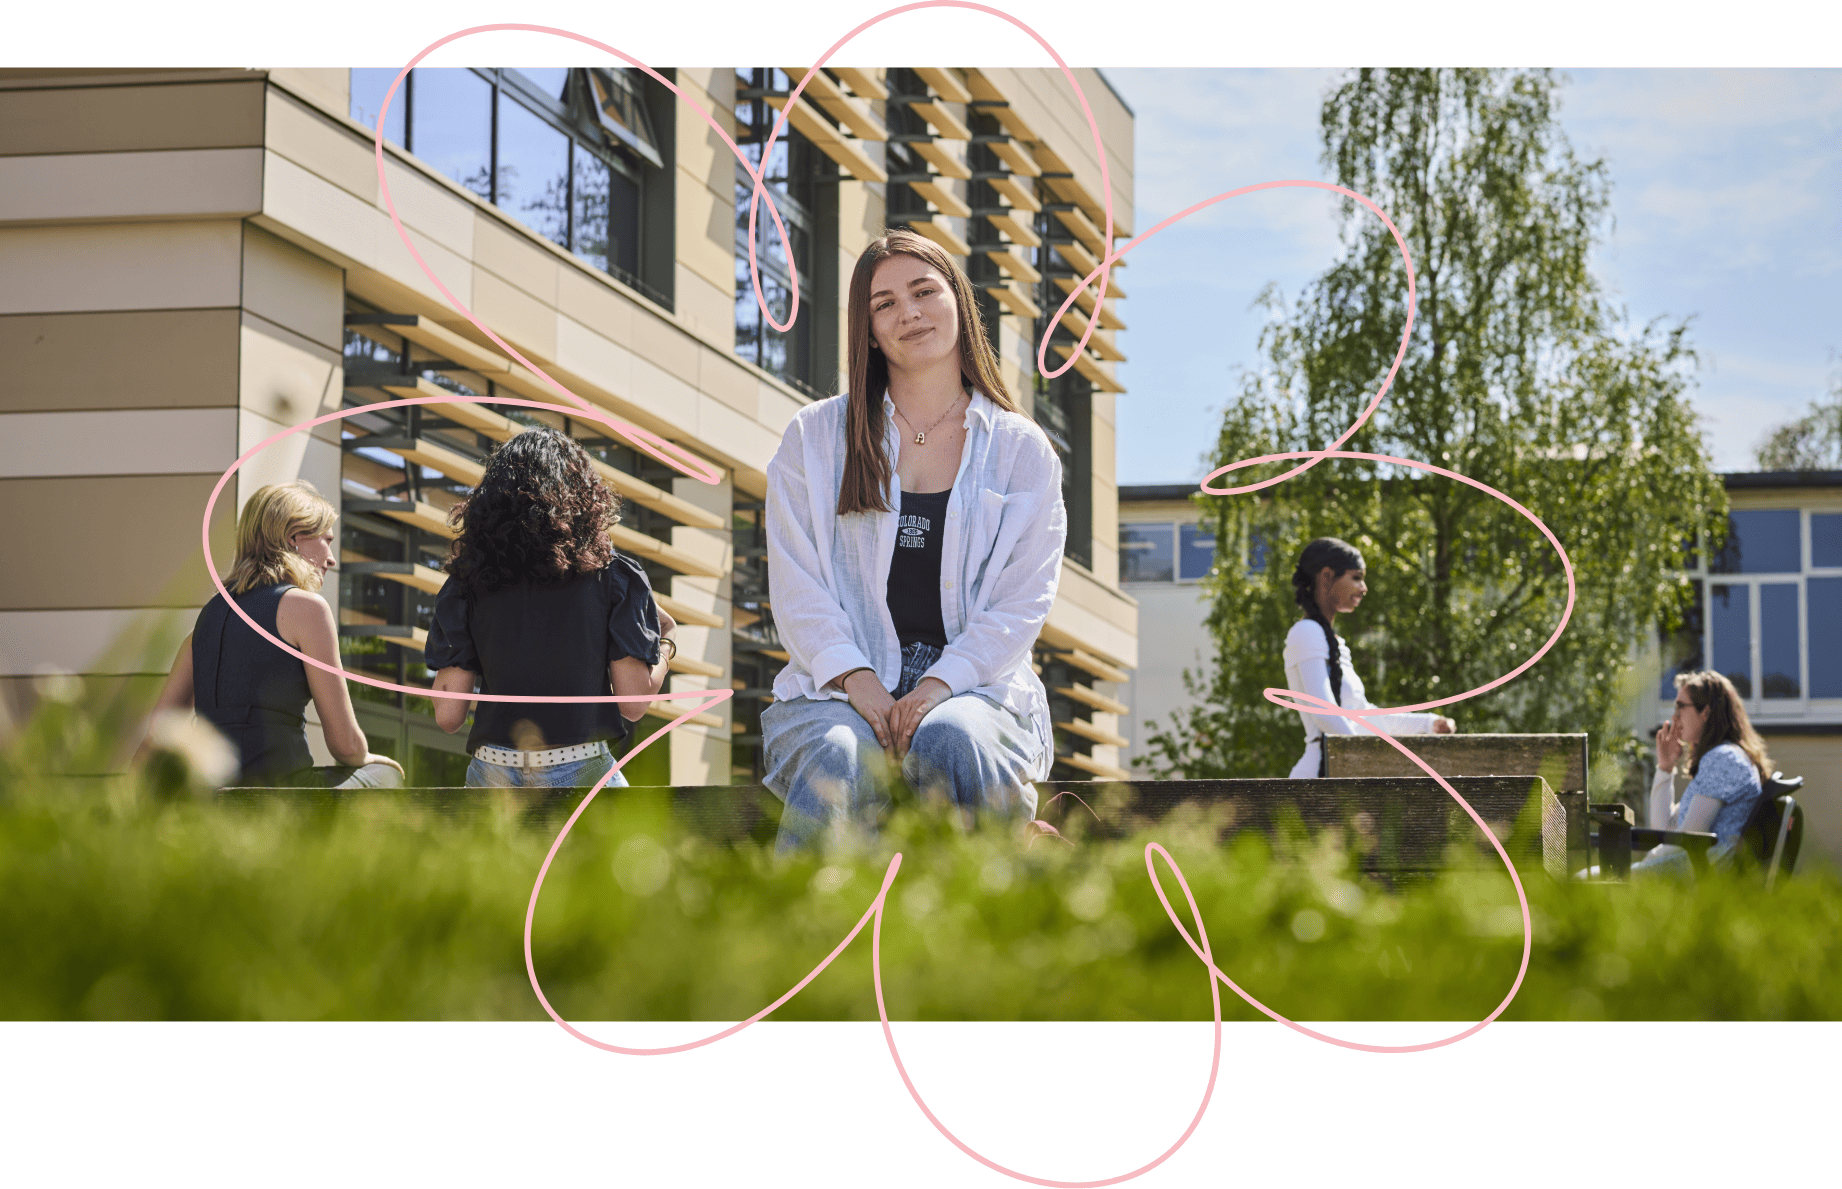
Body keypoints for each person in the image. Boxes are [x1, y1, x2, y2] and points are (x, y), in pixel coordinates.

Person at [761, 228, 1066, 850]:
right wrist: (857, 680)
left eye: (923, 291)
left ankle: (996, 930)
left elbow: (1020, 604)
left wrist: (937, 686)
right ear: (868, 329)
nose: (909, 313)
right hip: (835, 695)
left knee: (951, 737)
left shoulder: (1019, 450)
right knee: (840, 754)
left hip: (978, 693)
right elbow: (796, 584)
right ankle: (803, 942)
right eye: (885, 303)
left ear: (958, 299)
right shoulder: (814, 438)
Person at [425, 428, 676, 789]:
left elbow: (448, 714)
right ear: (582, 496)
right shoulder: (614, 577)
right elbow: (633, 702)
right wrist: (666, 642)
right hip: (580, 769)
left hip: (492, 774)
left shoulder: (466, 584)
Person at [136, 481, 404, 788]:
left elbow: (155, 739)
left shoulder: (204, 625)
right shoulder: (308, 610)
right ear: (293, 538)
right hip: (283, 795)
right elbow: (346, 747)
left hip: (212, 795)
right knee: (387, 777)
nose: (330, 558)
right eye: (326, 540)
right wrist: (371, 759)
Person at [1283, 537, 1454, 778]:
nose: (1364, 588)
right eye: (1356, 578)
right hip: (1320, 776)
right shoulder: (1306, 632)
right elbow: (1325, 712)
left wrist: (1427, 724)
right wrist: (1366, 759)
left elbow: (1362, 717)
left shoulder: (1335, 643)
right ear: (1326, 576)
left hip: (1340, 773)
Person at [1632, 669, 1770, 876]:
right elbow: (1664, 831)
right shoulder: (1720, 758)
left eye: (1681, 707)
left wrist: (1643, 864)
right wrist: (1665, 767)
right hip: (1691, 874)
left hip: (1698, 879)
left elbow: (1687, 839)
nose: (1674, 717)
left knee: (1588, 879)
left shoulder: (1723, 759)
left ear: (1705, 712)